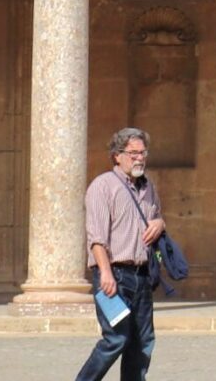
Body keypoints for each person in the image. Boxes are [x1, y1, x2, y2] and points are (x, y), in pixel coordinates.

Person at [73, 126, 164, 381]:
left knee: (142, 341)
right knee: (116, 338)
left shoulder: (148, 188)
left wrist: (160, 223)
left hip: (142, 275)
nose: (139, 158)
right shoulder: (102, 187)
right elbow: (96, 238)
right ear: (117, 155)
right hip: (115, 276)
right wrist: (105, 274)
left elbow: (155, 218)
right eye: (133, 153)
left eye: (143, 152)